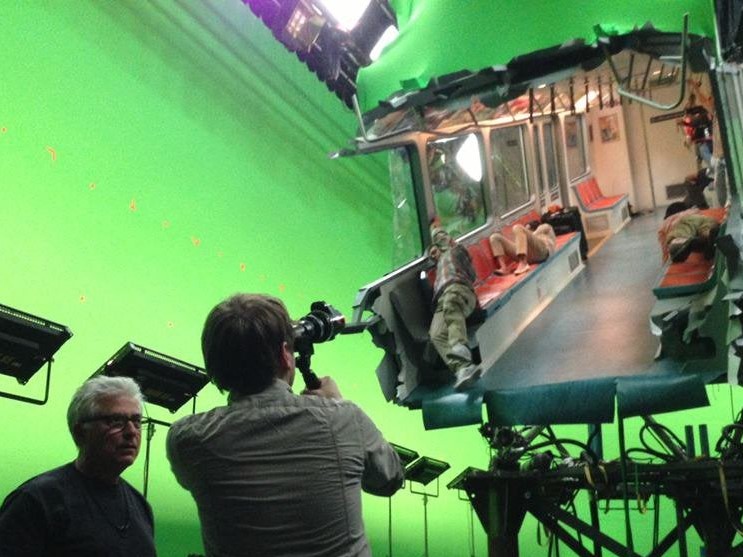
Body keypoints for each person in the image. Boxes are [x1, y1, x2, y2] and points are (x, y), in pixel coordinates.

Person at [166, 293, 404, 557]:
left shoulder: (186, 439)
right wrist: (337, 403)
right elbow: (389, 478)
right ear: (285, 356)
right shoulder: (343, 418)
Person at [0, 376, 156, 557]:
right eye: (115, 421)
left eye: (136, 421)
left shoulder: (141, 505)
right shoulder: (37, 500)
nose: (131, 432)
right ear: (80, 432)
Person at [427, 223, 482, 390]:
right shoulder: (440, 267)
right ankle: (462, 369)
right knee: (436, 334)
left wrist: (432, 229)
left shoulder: (456, 252)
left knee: (452, 302)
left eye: (436, 248)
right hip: (442, 298)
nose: (434, 253)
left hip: (459, 290)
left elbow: (441, 237)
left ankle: (460, 349)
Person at [489, 221, 557, 275]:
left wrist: (528, 234)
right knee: (495, 237)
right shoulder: (523, 241)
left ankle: (523, 263)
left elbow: (546, 227)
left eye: (528, 229)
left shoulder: (544, 228)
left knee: (517, 227)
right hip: (528, 256)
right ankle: (504, 268)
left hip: (543, 252)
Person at [678, 92, 714, 166]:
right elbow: (689, 135)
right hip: (705, 140)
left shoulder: (700, 113)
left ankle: (711, 164)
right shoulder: (690, 119)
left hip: (706, 139)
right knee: (702, 152)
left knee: (703, 151)